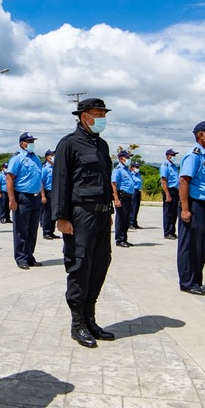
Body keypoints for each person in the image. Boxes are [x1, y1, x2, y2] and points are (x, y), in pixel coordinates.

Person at [52, 98, 115, 348]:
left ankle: (90, 319)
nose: (101, 118)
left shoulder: (102, 145)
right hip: (80, 216)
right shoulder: (68, 144)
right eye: (96, 113)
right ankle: (77, 324)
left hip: (101, 215)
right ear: (83, 116)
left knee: (100, 264)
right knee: (79, 266)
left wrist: (109, 209)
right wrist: (61, 217)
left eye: (103, 113)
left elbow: (105, 180)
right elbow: (61, 180)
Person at [177, 121, 205, 296]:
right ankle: (188, 282)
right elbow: (184, 181)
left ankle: (196, 281)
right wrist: (185, 209)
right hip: (194, 205)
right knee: (190, 246)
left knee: (201, 246)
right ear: (201, 135)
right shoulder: (193, 155)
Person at [7, 132, 44, 270]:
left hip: (35, 197)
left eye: (32, 141)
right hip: (23, 197)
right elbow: (9, 178)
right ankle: (21, 258)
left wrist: (42, 195)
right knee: (21, 230)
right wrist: (12, 199)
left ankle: (29, 256)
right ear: (21, 143)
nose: (31, 144)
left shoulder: (36, 159)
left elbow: (39, 179)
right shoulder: (17, 159)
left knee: (32, 230)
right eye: (28, 141)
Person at [111, 150, 135, 247]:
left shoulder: (126, 169)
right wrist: (116, 199)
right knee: (121, 218)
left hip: (128, 197)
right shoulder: (118, 169)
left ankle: (124, 238)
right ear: (121, 159)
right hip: (122, 196)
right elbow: (114, 184)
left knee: (126, 219)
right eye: (127, 157)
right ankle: (119, 239)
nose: (129, 159)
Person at [160, 149, 180, 239]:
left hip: (175, 191)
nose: (174, 157)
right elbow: (163, 181)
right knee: (168, 213)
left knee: (174, 213)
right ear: (168, 156)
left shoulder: (174, 166)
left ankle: (172, 231)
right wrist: (167, 194)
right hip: (169, 190)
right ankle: (167, 232)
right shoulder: (165, 166)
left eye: (174, 155)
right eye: (173, 155)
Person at [40, 149, 59, 239]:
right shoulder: (45, 168)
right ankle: (46, 232)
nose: (54, 156)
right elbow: (41, 183)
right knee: (47, 213)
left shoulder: (57, 167)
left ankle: (51, 231)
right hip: (48, 192)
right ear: (47, 157)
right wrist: (43, 196)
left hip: (56, 192)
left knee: (54, 212)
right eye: (52, 155)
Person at [128, 162, 143, 229]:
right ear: (132, 168)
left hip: (138, 191)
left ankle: (134, 222)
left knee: (136, 208)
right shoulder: (130, 174)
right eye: (136, 167)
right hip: (133, 191)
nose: (137, 168)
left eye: (138, 167)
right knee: (133, 208)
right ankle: (130, 223)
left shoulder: (138, 174)